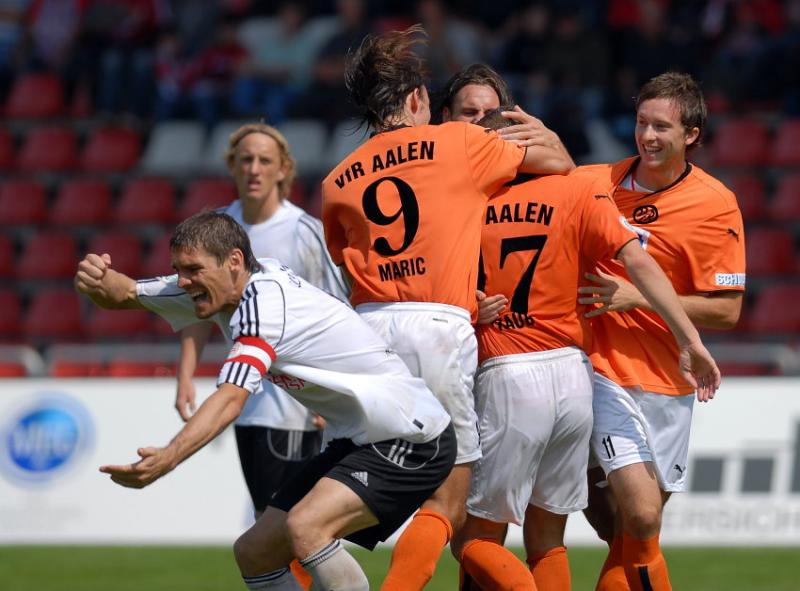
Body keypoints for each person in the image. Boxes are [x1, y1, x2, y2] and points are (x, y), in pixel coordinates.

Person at [75, 211, 456, 591]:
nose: (183, 281)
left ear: (234, 261)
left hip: (409, 435)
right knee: (255, 552)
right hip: (360, 438)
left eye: (192, 269)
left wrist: (168, 458)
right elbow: (125, 293)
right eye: (178, 270)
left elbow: (231, 398)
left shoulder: (263, 303)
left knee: (306, 527)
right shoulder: (214, 290)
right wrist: (97, 278)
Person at [321, 26, 575, 590]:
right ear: (419, 100)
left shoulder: (338, 178)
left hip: (367, 333)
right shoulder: (458, 145)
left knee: (355, 486)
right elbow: (559, 162)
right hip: (438, 327)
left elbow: (344, 263)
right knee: (451, 501)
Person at [453, 108, 721, 591]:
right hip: (574, 380)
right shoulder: (579, 189)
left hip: (510, 370)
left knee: (472, 537)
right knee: (547, 538)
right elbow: (638, 260)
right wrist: (690, 338)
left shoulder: (470, 201)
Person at [577, 72, 745, 591]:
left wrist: (636, 295)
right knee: (641, 516)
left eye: (661, 127)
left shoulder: (715, 203)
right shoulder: (595, 183)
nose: (646, 136)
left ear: (691, 134)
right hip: (596, 370)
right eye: (641, 123)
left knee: (630, 533)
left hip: (669, 381)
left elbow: (727, 312)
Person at [175, 122, 349, 588]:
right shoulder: (215, 230)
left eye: (265, 160)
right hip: (248, 401)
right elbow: (196, 302)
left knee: (289, 528)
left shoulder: (304, 231)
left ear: (283, 170)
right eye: (245, 159)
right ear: (232, 166)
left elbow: (336, 312)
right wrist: (186, 372)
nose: (254, 168)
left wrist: (328, 392)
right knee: (269, 522)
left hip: (293, 403)